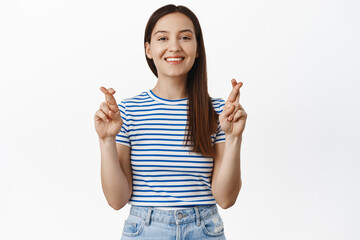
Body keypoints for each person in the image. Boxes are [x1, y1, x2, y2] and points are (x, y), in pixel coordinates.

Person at [94, 4, 247, 240]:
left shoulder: (218, 111)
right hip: (144, 230)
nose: (174, 47)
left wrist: (234, 137)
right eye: (162, 38)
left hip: (204, 230)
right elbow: (117, 200)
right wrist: (106, 140)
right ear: (148, 49)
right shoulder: (127, 111)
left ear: (197, 49)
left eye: (185, 37)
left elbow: (226, 199)